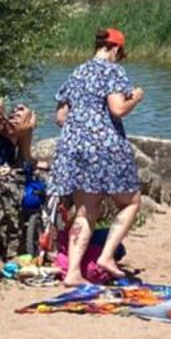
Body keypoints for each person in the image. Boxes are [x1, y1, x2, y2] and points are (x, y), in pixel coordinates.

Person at [50, 29, 144, 285]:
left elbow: (60, 117)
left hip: (73, 147)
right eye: (120, 53)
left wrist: (81, 126)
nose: (119, 58)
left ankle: (73, 273)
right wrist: (135, 98)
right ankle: (106, 256)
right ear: (114, 48)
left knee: (85, 209)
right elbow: (118, 108)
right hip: (105, 147)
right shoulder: (112, 71)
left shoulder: (77, 72)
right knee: (131, 201)